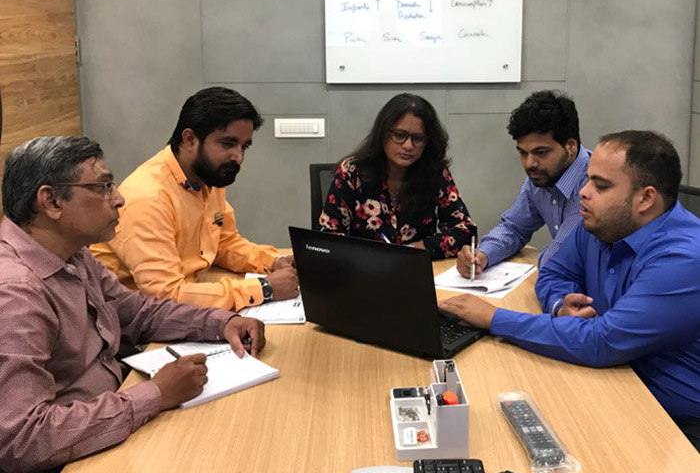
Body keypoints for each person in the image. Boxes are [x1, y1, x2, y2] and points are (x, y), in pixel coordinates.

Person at [0, 136, 265, 473]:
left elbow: (138, 313)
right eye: (102, 187)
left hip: (108, 422)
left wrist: (222, 322)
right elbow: (24, 440)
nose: (119, 198)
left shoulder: (73, 254)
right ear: (51, 201)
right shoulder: (16, 294)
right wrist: (156, 394)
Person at [441, 131, 700, 452]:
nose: (583, 192)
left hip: (678, 422)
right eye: (588, 179)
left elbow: (603, 341)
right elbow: (554, 272)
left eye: (600, 185)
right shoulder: (602, 223)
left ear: (646, 199)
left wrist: (494, 318)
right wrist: (559, 305)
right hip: (614, 382)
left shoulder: (684, 258)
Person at [92, 87, 298, 312]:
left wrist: (272, 261)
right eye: (227, 144)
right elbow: (165, 296)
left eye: (244, 147)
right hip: (131, 322)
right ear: (190, 139)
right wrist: (263, 289)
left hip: (184, 304)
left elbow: (223, 243)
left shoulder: (206, 178)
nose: (238, 157)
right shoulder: (148, 199)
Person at [319, 93, 476, 259]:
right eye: (400, 135)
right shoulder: (352, 173)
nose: (408, 146)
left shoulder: (435, 173)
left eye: (418, 138)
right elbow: (329, 240)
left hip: (414, 269)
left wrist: (416, 249)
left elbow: (466, 232)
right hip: (361, 269)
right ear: (383, 133)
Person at [457, 90, 589, 277]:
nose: (530, 163)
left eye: (541, 152)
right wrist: (482, 255)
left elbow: (559, 259)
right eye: (523, 153)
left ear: (571, 146)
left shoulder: (594, 184)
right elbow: (514, 228)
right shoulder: (542, 176)